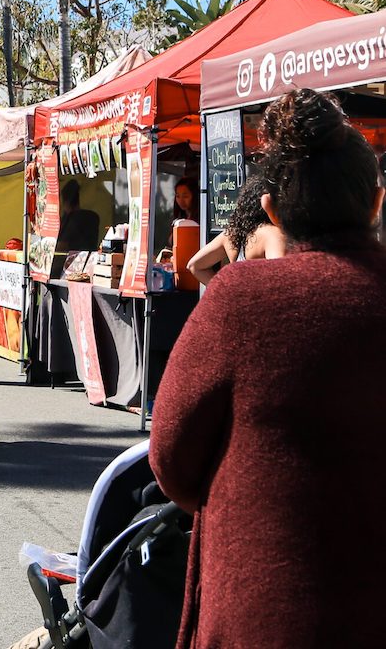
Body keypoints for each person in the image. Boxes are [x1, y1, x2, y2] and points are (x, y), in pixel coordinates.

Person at [150, 88, 386, 646]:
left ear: (273, 213)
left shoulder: (244, 299)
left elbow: (172, 458)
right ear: (376, 203)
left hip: (269, 616)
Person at [186, 175, 286, 285]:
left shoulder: (232, 234)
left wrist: (223, 293)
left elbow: (195, 266)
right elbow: (282, 279)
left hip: (239, 299)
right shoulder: (272, 235)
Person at [55, 180, 101, 252]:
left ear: (65, 202)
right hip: (88, 259)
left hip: (72, 260)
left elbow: (62, 246)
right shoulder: (91, 217)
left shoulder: (75, 219)